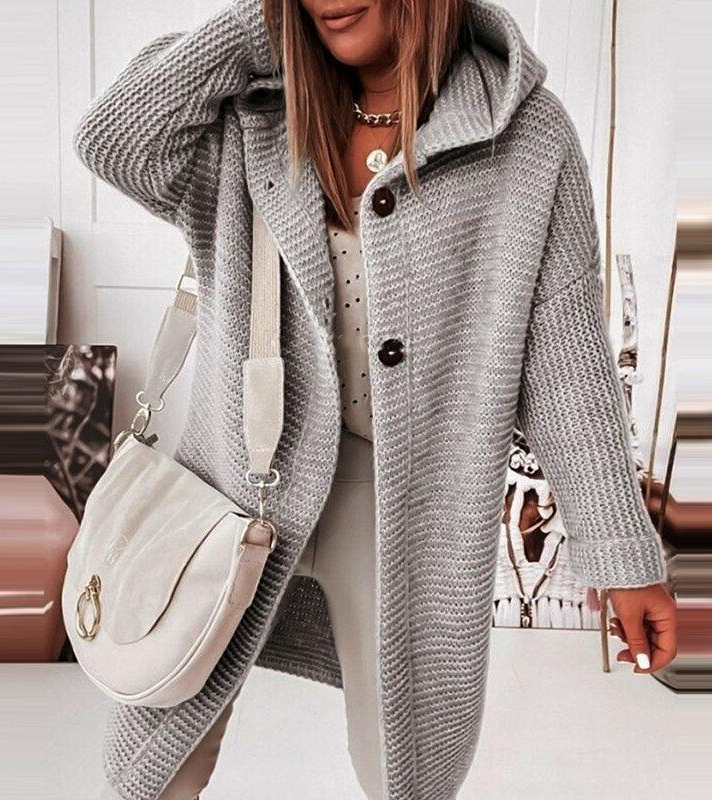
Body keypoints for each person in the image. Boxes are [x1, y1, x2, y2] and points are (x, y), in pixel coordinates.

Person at [74, 1, 678, 798]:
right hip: (233, 491)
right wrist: (263, 27)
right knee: (157, 747)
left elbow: (567, 364)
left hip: (403, 515)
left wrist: (625, 557)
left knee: (404, 769)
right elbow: (113, 140)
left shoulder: (526, 137)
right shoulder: (253, 115)